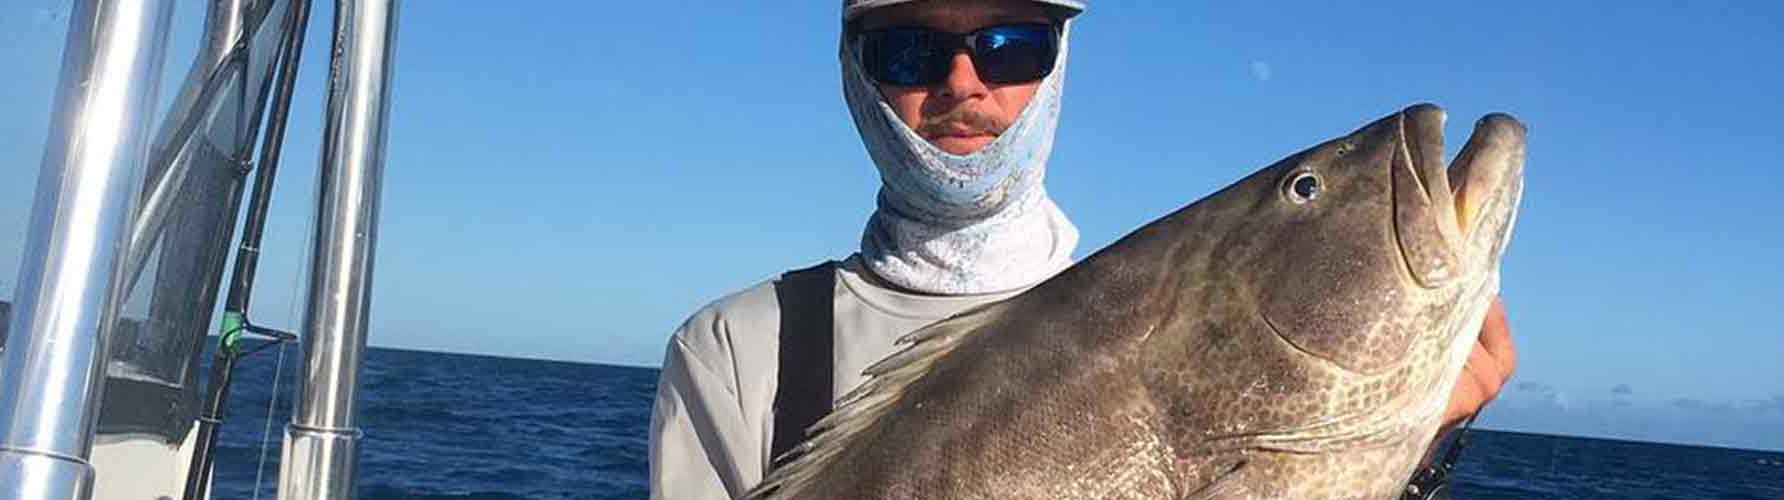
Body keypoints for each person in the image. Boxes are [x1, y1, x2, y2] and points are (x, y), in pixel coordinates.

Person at [645, 1, 1518, 499]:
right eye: (909, 48)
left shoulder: (1133, 305)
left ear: (1058, 66)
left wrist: (1418, 454)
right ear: (853, 73)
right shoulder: (733, 352)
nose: (963, 82)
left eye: (1010, 44)